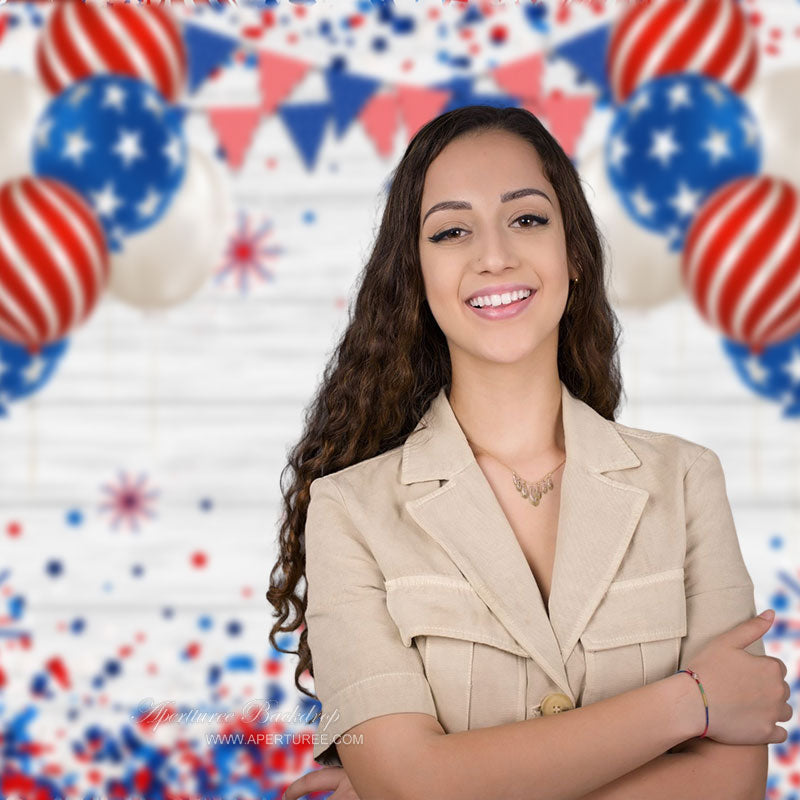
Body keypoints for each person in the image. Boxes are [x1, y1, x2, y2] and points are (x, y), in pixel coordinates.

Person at [267, 105, 791, 800]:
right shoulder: (348, 512)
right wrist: (689, 703)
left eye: (527, 218)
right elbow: (410, 784)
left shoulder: (687, 481)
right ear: (416, 277)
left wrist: (435, 783)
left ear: (572, 251)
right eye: (452, 231)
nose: (494, 256)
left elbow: (731, 785)